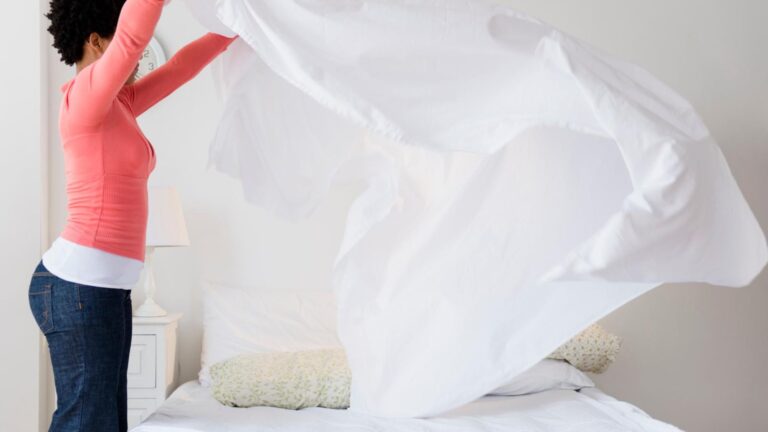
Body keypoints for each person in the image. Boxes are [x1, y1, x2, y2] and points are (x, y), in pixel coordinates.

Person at [27, 0, 238, 430]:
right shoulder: (85, 97)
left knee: (106, 420)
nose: (137, 58)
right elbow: (132, 38)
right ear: (95, 42)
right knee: (86, 420)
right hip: (79, 288)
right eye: (126, 48)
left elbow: (180, 68)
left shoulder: (118, 103)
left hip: (103, 290)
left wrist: (235, 30)